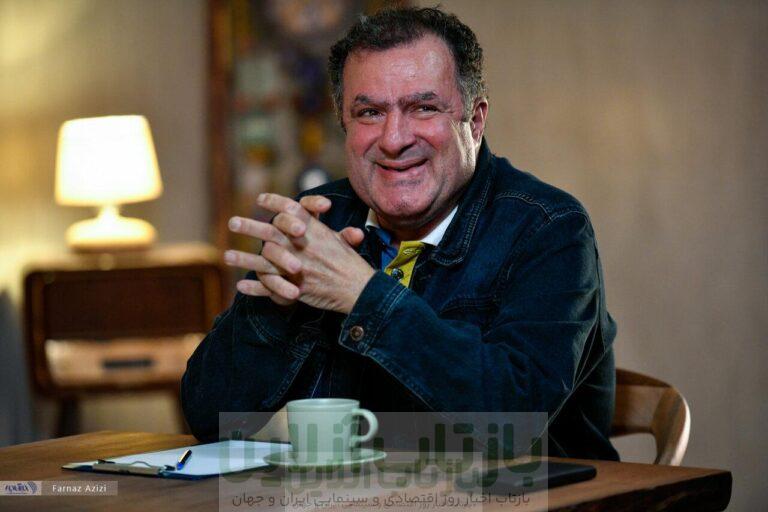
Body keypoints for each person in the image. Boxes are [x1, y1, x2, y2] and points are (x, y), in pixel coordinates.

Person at [182, 7, 619, 460]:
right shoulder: (317, 223)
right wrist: (274, 310)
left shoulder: (548, 227)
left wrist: (364, 295)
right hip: (352, 492)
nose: (393, 139)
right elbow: (208, 417)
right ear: (344, 125)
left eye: (423, 108)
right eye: (369, 113)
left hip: (528, 493)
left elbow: (515, 420)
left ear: (475, 120)